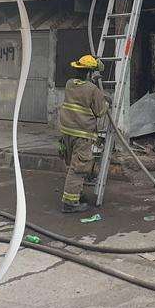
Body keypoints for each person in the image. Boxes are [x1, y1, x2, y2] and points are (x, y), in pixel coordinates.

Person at [56, 55, 110, 213]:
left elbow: (82, 93)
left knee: (72, 165)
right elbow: (100, 111)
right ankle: (70, 203)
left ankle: (76, 194)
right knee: (78, 168)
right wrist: (106, 101)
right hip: (82, 134)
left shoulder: (69, 84)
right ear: (89, 73)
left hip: (67, 132)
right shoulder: (92, 90)